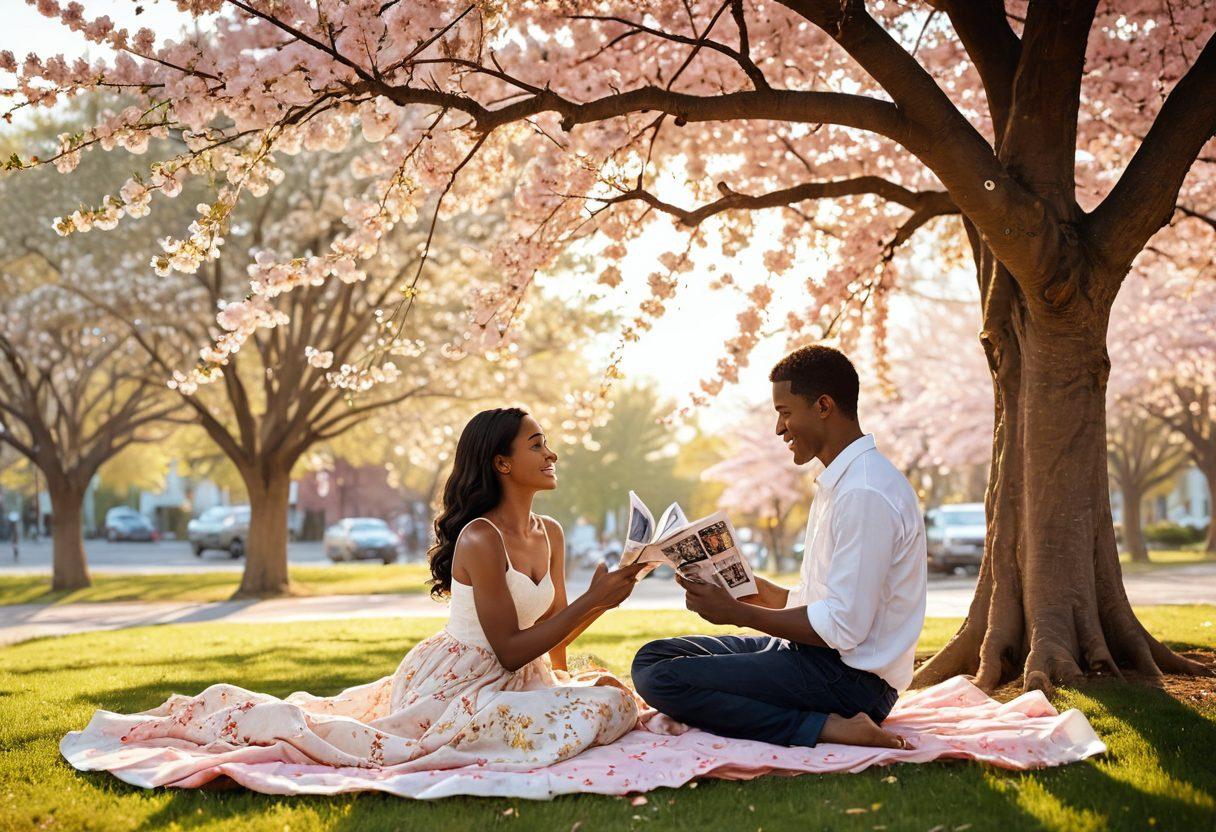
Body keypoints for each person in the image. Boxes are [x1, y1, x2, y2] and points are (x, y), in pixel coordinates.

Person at [62, 407, 648, 776]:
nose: (552, 454)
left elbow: (550, 641)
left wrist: (586, 630)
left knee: (606, 696)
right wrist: (592, 601)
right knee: (607, 706)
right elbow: (508, 648)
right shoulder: (479, 539)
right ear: (500, 462)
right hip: (462, 681)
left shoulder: (550, 532)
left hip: (521, 677)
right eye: (537, 444)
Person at [632, 345, 927, 749]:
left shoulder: (864, 492)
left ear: (823, 406)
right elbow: (818, 601)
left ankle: (825, 727)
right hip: (815, 657)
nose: (778, 429)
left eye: (785, 412)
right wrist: (742, 585)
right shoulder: (841, 483)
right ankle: (817, 720)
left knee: (660, 680)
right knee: (652, 659)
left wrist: (737, 613)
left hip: (852, 682)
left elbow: (842, 627)